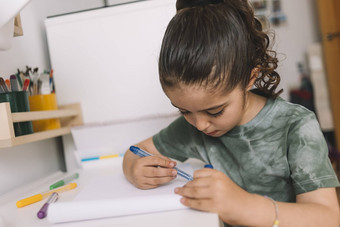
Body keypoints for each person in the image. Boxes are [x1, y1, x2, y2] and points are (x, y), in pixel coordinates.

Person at [123, 0, 340, 226]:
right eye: (184, 111)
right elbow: (136, 152)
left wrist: (243, 205)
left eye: (215, 111)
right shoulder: (195, 127)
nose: (200, 125)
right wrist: (133, 169)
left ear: (250, 78)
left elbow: (328, 218)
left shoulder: (296, 126)